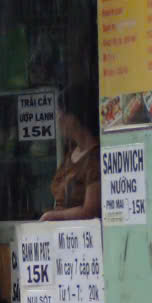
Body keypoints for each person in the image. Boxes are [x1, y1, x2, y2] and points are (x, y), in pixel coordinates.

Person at [40, 82, 101, 221]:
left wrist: (52, 216)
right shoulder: (71, 154)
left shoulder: (95, 158)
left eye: (61, 113)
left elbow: (90, 211)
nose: (58, 119)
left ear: (73, 118)